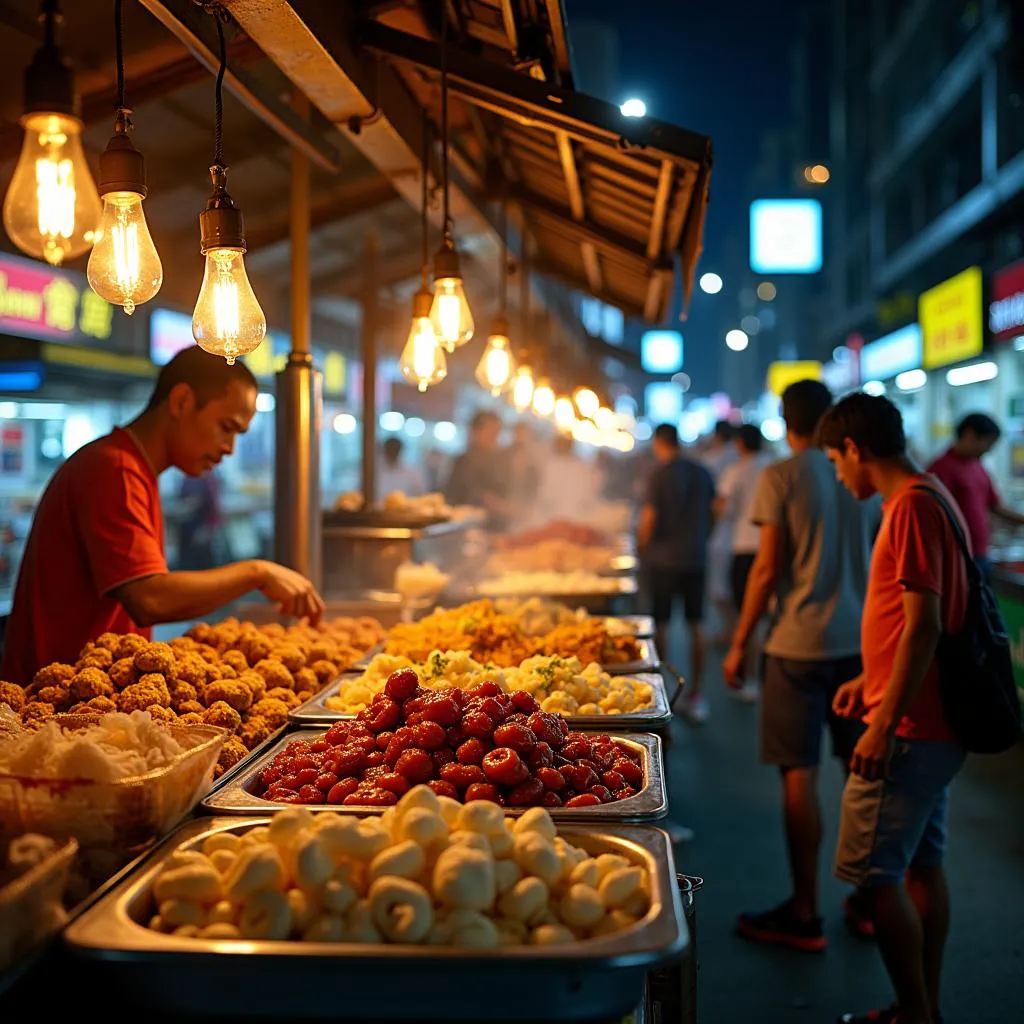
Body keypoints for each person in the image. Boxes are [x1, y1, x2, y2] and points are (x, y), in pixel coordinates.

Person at [0, 346, 325, 686]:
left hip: (87, 693)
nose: (229, 448)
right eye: (226, 427)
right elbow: (150, 598)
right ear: (182, 401)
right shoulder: (114, 469)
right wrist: (255, 572)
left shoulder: (133, 469)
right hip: (56, 701)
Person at [819, 393, 968, 1024]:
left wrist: (880, 723)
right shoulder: (933, 492)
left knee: (876, 880)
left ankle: (914, 1012)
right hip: (934, 721)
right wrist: (868, 675)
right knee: (922, 865)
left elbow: (924, 625)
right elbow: (910, 623)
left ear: (855, 449)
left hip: (908, 729)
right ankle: (923, 1009)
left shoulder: (906, 506)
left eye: (834, 459)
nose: (836, 473)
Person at [725, 380, 878, 951]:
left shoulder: (782, 475)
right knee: (862, 773)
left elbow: (766, 570)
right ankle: (870, 899)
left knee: (799, 777)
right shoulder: (864, 476)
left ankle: (805, 910)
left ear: (785, 420)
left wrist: (740, 641)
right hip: (859, 648)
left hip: (795, 647)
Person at [637, 423, 715, 723]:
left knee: (663, 625)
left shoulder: (659, 474)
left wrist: (643, 549)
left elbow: (649, 519)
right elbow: (715, 509)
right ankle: (696, 694)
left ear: (659, 443)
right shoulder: (702, 471)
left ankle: (665, 690)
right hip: (696, 558)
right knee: (698, 624)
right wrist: (703, 537)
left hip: (664, 560)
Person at [715, 423, 773, 702]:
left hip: (744, 547)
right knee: (768, 618)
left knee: (747, 616)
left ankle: (750, 678)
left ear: (740, 443)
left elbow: (723, 508)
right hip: (773, 547)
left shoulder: (737, 471)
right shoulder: (773, 466)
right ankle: (765, 676)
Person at [927, 413, 1024, 577]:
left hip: (980, 552)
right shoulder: (941, 469)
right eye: (987, 443)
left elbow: (995, 506)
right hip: (956, 556)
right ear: (969, 434)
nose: (988, 450)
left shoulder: (978, 467)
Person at [700, 420, 738, 646]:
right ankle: (733, 632)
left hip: (723, 536)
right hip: (751, 536)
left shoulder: (713, 461)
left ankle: (734, 634)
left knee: (721, 590)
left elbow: (716, 504)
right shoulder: (746, 459)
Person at [444, 411, 515, 529]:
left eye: (497, 433)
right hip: (464, 526)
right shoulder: (464, 461)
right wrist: (491, 502)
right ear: (476, 432)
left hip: (492, 526)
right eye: (491, 432)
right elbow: (460, 494)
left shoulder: (498, 461)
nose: (495, 438)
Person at [533, 435, 602, 527]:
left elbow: (587, 496)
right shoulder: (553, 466)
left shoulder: (580, 467)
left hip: (573, 519)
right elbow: (545, 496)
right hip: (557, 518)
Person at [377, 436, 426, 501]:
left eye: (395, 450)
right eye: (390, 450)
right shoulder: (375, 472)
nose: (392, 453)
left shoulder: (412, 473)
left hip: (405, 510)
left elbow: (421, 496)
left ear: (400, 451)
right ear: (385, 451)